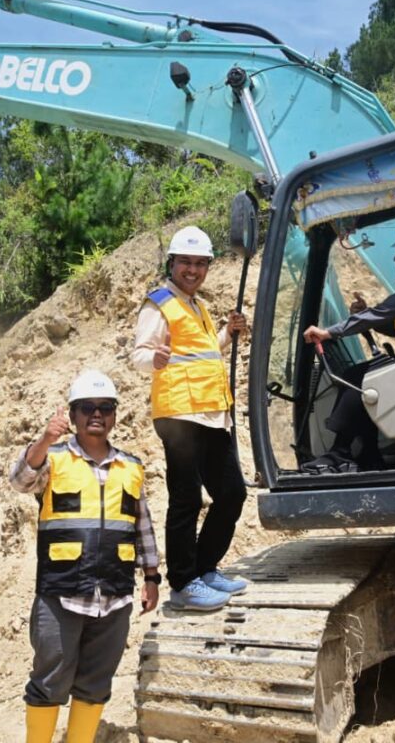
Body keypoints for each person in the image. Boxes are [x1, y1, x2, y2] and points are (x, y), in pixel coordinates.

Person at [9, 369, 161, 743]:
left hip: (115, 593)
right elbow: (20, 480)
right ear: (74, 415)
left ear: (114, 415)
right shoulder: (54, 459)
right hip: (61, 592)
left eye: (105, 407)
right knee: (49, 680)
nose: (97, 414)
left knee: (96, 683)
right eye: (87, 407)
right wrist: (46, 438)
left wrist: (152, 577)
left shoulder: (131, 467)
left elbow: (142, 525)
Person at [131, 225, 248, 612]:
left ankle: (205, 568)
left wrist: (227, 334)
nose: (193, 270)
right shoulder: (159, 304)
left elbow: (206, 353)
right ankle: (183, 583)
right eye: (186, 262)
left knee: (232, 493)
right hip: (180, 413)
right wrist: (154, 359)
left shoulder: (196, 305)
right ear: (172, 263)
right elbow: (139, 354)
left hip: (211, 413)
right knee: (186, 498)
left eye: (200, 263)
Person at [302, 218, 395, 470]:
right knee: (362, 377)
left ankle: (341, 451)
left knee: (358, 379)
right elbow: (392, 325)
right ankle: (368, 454)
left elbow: (381, 313)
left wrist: (329, 332)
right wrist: (365, 315)